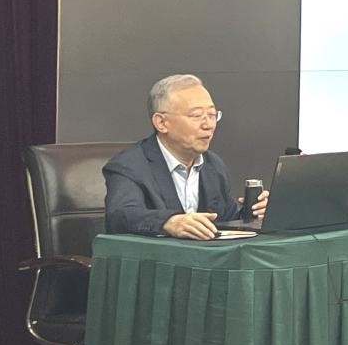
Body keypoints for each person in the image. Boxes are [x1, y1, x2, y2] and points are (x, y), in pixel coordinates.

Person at [103, 74, 268, 240]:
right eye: (196, 116)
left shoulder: (213, 165)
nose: (208, 125)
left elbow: (226, 221)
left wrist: (253, 214)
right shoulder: (129, 166)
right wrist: (169, 222)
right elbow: (122, 215)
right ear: (161, 123)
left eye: (212, 115)